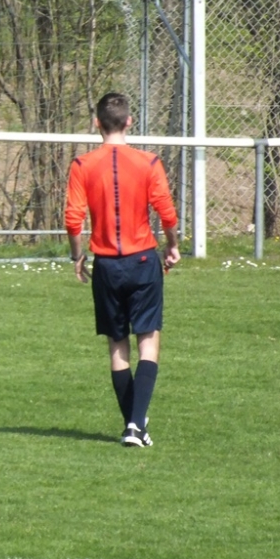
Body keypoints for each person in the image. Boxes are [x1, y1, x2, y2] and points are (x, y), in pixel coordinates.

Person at [64, 92, 180, 448]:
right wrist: (172, 245)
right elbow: (166, 211)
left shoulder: (83, 165)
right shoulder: (148, 162)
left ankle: (133, 425)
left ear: (96, 123)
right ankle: (135, 425)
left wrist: (77, 256)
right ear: (129, 121)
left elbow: (73, 219)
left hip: (107, 265)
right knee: (148, 339)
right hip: (143, 260)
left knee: (117, 344)